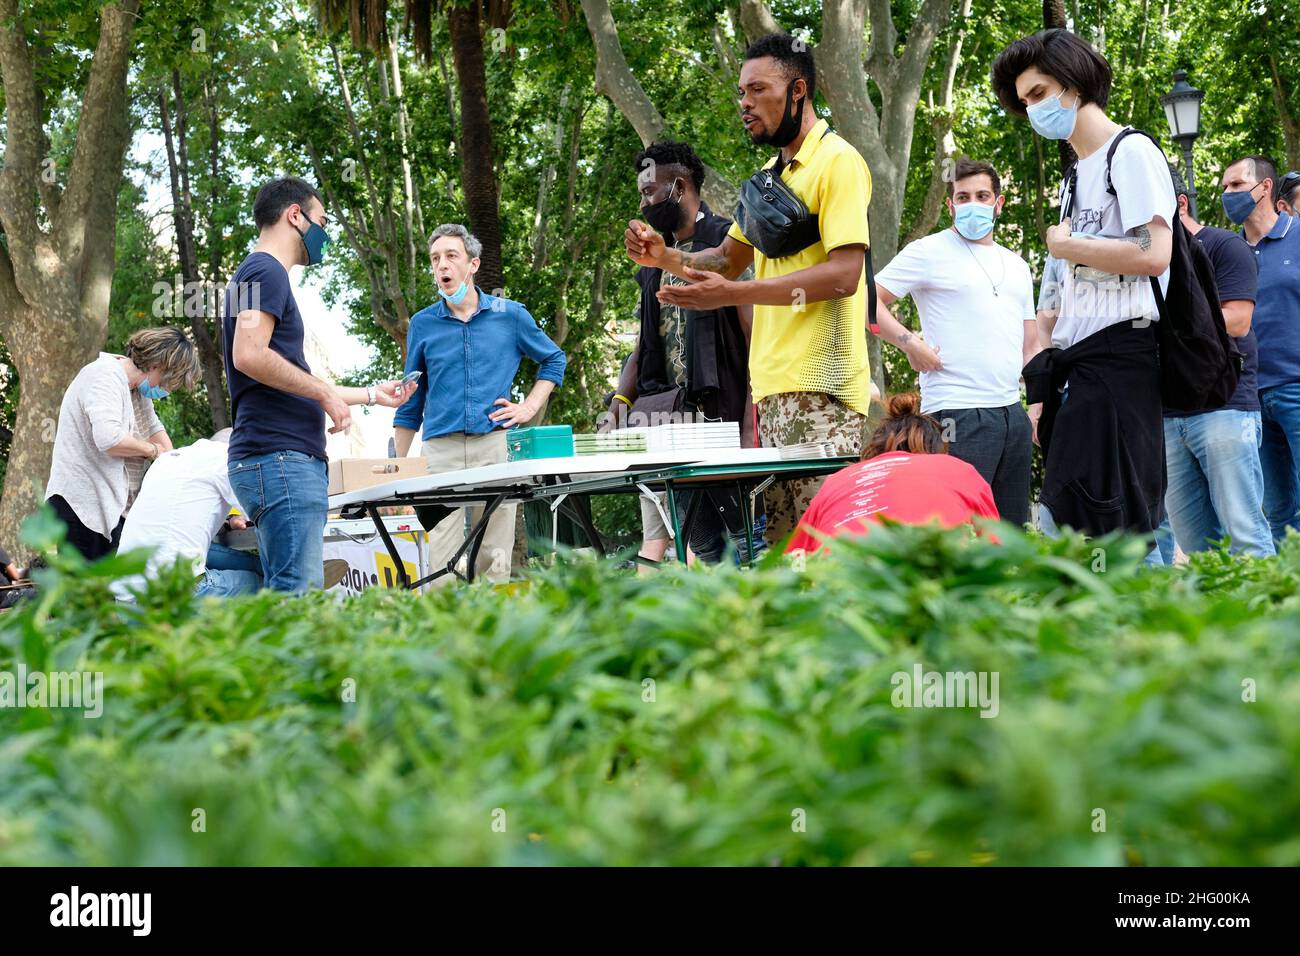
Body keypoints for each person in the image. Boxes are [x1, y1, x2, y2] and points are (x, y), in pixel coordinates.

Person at [625, 32, 875, 550]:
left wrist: (734, 294)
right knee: (788, 556)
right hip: (774, 391)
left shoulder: (839, 162)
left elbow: (844, 275)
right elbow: (725, 258)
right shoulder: (766, 176)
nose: (744, 103)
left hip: (823, 387)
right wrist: (664, 257)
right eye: (741, 92)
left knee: (828, 553)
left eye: (757, 90)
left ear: (797, 90)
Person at [993, 29, 1173, 555]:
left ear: (1072, 86)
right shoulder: (1075, 175)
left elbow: (1153, 253)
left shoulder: (1130, 151)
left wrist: (1071, 248)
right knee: (1077, 518)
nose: (1033, 109)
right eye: (1025, 100)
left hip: (1124, 357)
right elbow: (1061, 283)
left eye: (1039, 93)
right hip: (1078, 364)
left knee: (1116, 526)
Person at [223, 177, 414, 593]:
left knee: (285, 594)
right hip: (281, 460)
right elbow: (249, 355)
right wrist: (324, 393)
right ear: (296, 216)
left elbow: (284, 375)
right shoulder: (264, 269)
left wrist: (368, 395)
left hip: (272, 460)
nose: (325, 234)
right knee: (298, 596)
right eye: (321, 221)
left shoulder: (254, 273)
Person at [605, 139, 763, 564]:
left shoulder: (729, 240)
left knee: (750, 542)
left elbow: (755, 335)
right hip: (669, 426)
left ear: (679, 187)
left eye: (649, 191)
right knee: (705, 544)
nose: (643, 202)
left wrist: (752, 422)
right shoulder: (650, 263)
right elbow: (645, 344)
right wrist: (619, 404)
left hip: (726, 420)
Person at [393, 223, 566, 583]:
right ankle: (445, 632)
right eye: (435, 258)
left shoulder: (510, 315)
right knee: (440, 551)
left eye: (451, 256)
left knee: (496, 554)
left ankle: (492, 631)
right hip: (440, 452)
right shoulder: (423, 324)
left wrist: (528, 407)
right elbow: (412, 399)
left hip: (495, 446)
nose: (442, 265)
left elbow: (554, 359)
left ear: (473, 264)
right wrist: (396, 467)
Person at [872, 158, 1038, 526]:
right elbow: (866, 302)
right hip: (956, 414)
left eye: (982, 195)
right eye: (963, 197)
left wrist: (1037, 406)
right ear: (950, 205)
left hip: (1012, 415)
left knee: (1010, 536)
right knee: (958, 531)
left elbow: (1031, 344)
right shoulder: (928, 251)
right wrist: (909, 343)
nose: (972, 203)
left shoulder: (1018, 266)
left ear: (999, 203)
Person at [1156, 165, 1272, 560]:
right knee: (1197, 548)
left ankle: (1271, 619)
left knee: (1245, 534)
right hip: (1168, 415)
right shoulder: (1148, 264)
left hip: (1227, 406)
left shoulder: (1223, 246)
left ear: (1179, 203)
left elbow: (1238, 320)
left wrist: (1172, 325)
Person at [45, 327, 200, 561]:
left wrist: (168, 457)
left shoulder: (137, 390)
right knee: (86, 593)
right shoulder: (104, 376)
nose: (168, 389)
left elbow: (158, 435)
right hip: (81, 506)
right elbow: (109, 438)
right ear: (157, 366)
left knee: (108, 593)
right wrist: (152, 451)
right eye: (171, 381)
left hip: (112, 508)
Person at [784, 392, 999, 557]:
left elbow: (796, 560)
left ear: (876, 446)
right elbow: (997, 553)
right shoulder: (959, 470)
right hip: (929, 584)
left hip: (840, 587)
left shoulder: (839, 479)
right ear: (935, 447)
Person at [1221, 155, 1300, 545]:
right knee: (1277, 512)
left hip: (1296, 388)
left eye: (1236, 185)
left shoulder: (1299, 235)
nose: (1228, 195)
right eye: (1224, 188)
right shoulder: (1229, 251)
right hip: (1250, 398)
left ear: (1265, 187)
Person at [112, 429, 264, 600]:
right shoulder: (228, 460)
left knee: (253, 564)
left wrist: (229, 520)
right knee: (270, 580)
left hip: (125, 596)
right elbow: (265, 515)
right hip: (172, 593)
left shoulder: (168, 461)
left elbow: (184, 513)